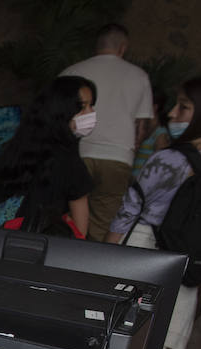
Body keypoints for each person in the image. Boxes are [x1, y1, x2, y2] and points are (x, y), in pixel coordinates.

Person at [106, 76, 201, 349]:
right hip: (185, 265)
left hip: (143, 253)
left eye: (183, 107)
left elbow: (130, 211)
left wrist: (106, 257)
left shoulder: (169, 160)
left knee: (116, 344)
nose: (172, 112)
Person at [59, 22, 154, 240]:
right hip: (118, 157)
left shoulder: (72, 71)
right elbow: (143, 126)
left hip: (76, 153)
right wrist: (131, 153)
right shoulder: (138, 76)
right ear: (123, 47)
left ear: (97, 45)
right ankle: (89, 267)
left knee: (68, 216)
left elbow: (56, 117)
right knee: (103, 221)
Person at [0, 75, 97, 238]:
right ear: (62, 110)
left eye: (91, 106)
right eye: (82, 107)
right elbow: (80, 230)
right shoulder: (69, 161)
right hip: (35, 242)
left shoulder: (20, 146)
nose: (91, 113)